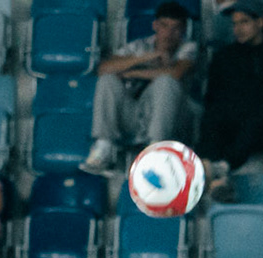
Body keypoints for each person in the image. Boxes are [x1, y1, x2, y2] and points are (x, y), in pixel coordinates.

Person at [82, 0, 198, 175]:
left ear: (182, 30)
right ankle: (103, 147)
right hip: (136, 115)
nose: (169, 33)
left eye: (175, 28)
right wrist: (145, 58)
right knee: (107, 80)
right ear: (155, 25)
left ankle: (156, 151)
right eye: (165, 26)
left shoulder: (188, 47)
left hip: (173, 120)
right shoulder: (140, 46)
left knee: (165, 82)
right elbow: (103, 69)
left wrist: (131, 73)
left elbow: (175, 73)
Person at [196, 0, 263, 182]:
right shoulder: (224, 57)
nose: (238, 29)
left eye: (244, 22)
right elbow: (212, 99)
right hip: (230, 120)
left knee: (258, 113)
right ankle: (212, 172)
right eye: (235, 23)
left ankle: (220, 168)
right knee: (213, 117)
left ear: (260, 22)